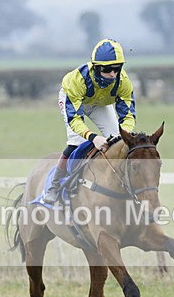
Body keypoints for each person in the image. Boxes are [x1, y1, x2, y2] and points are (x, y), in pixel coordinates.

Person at [43, 38, 137, 204]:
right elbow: (75, 119)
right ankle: (55, 184)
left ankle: (118, 183)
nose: (113, 74)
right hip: (74, 101)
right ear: (96, 67)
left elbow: (128, 115)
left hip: (99, 104)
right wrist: (93, 137)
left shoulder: (123, 82)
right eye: (108, 69)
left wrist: (125, 134)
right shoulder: (76, 81)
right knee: (77, 142)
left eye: (117, 68)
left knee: (119, 141)